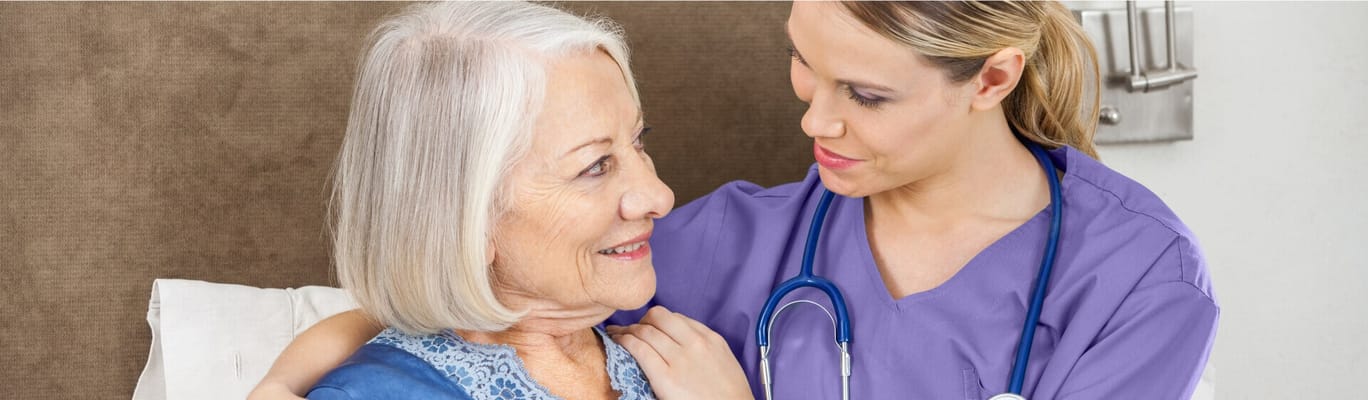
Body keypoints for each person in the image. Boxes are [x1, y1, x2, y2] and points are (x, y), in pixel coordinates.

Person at [256, 2, 1218, 399]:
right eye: (803, 62)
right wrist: (323, 345)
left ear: (994, 79)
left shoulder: (1135, 281)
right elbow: (493, 284)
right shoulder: (721, 240)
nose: (816, 123)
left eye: (867, 95)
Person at [250, 2, 694, 399]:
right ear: (462, 221)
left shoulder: (680, 345)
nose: (660, 195)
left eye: (638, 141)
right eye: (594, 165)